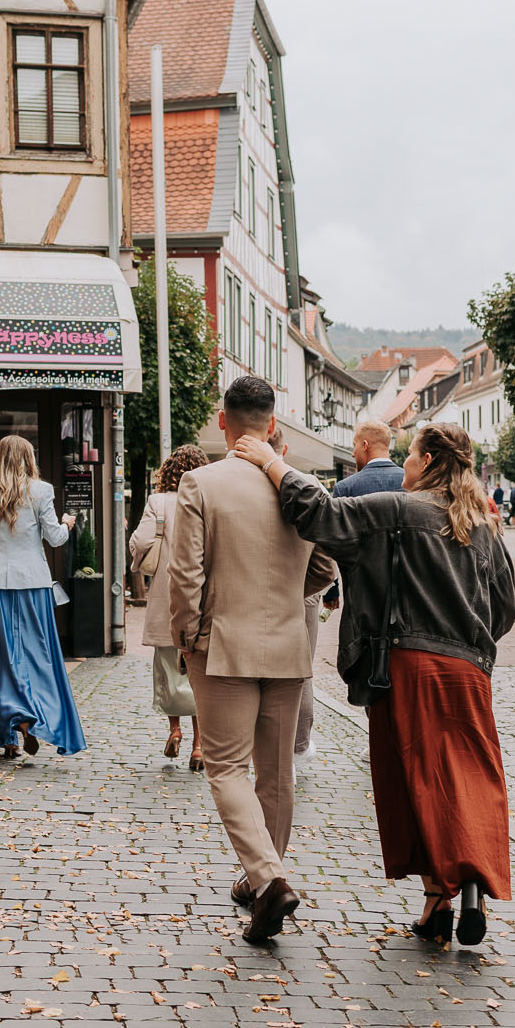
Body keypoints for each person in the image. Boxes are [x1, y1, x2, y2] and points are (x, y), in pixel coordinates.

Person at [232, 421, 515, 946]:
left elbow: (321, 515)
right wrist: (469, 640)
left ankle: (439, 894)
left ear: (428, 462)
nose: (403, 463)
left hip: (410, 667)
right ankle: (458, 891)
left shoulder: (397, 511)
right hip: (470, 672)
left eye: (411, 455)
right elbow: (503, 611)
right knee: (471, 774)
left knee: (417, 781)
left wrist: (272, 463)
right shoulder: (485, 526)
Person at [167, 376, 336, 944]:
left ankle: (267, 879)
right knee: (277, 769)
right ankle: (264, 875)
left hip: (224, 644)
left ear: (223, 421)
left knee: (226, 768)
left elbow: (185, 572)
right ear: (273, 423)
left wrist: (187, 635)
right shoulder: (303, 484)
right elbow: (326, 566)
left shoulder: (201, 482)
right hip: (288, 644)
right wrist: (292, 598)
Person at [0, 435, 87, 759]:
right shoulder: (41, 491)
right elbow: (53, 537)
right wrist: (67, 523)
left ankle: (8, 734)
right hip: (32, 584)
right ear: (28, 458)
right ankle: (28, 717)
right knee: (35, 658)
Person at [129, 444, 209, 771]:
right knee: (199, 671)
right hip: (201, 591)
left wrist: (139, 564)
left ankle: (174, 729)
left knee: (166, 664)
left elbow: (140, 542)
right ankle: (200, 746)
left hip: (167, 592)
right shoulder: (206, 499)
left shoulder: (158, 502)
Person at [268, 428, 330, 772]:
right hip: (300, 592)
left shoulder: (223, 483)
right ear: (285, 448)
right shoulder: (310, 487)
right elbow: (326, 563)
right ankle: (297, 746)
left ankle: (258, 752)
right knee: (300, 669)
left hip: (245, 597)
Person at [334, 420, 405, 497]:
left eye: (355, 445)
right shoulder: (411, 482)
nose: (353, 454)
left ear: (365, 445)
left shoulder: (345, 488)